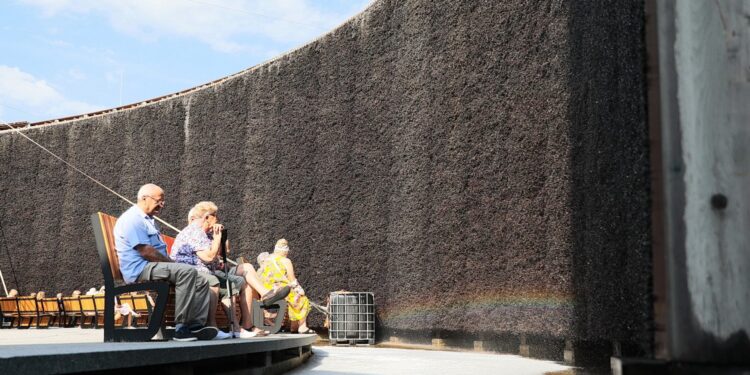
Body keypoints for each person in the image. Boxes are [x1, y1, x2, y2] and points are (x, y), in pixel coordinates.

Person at [170, 201, 289, 339]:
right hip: (193, 271)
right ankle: (213, 327)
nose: (218, 219)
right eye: (215, 216)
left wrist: (220, 239)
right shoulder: (194, 231)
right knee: (218, 282)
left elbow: (221, 254)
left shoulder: (205, 234)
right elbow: (209, 257)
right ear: (207, 217)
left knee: (245, 271)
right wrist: (217, 238)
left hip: (210, 270)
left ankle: (256, 309)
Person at [113, 183, 217, 341]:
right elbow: (145, 251)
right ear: (144, 198)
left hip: (153, 266)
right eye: (158, 201)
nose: (161, 205)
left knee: (201, 280)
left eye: (163, 202)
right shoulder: (132, 219)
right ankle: (181, 328)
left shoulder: (148, 220)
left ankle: (195, 325)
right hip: (140, 269)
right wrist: (173, 264)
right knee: (187, 271)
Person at [258, 239, 313, 334]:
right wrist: (300, 290)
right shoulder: (286, 261)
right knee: (300, 297)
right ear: (285, 250)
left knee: (292, 295)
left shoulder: (267, 259)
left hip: (265, 290)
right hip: (280, 289)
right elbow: (292, 280)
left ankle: (293, 327)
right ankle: (301, 327)